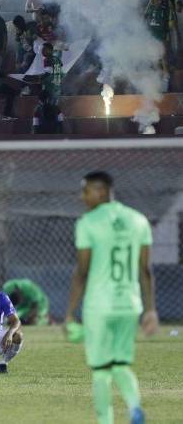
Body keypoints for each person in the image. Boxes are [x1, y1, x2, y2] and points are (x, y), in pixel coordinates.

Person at [64, 171, 158, 424]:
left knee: (100, 371)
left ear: (100, 191)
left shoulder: (88, 222)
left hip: (100, 306)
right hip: (129, 305)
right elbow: (146, 270)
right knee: (120, 364)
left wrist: (70, 313)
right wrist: (150, 310)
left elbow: (82, 271)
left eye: (85, 191)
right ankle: (135, 406)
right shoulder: (139, 220)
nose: (82, 196)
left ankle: (106, 421)